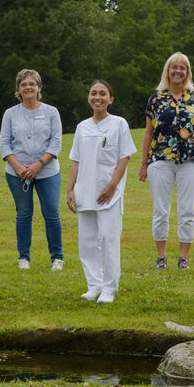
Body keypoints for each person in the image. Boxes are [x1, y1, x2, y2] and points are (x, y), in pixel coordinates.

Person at [67, 80, 136, 304]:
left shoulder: (119, 124)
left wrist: (113, 185)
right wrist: (70, 189)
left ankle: (109, 288)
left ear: (111, 99)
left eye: (103, 94)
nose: (98, 97)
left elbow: (124, 156)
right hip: (85, 190)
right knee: (87, 240)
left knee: (108, 238)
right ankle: (94, 285)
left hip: (109, 192)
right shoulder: (82, 127)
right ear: (89, 97)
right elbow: (75, 159)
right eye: (94, 93)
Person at [138, 52, 194, 271]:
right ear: (167, 71)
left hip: (190, 160)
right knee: (161, 210)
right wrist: (144, 163)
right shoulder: (156, 99)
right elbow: (148, 134)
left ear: (187, 72)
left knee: (187, 210)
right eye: (174, 67)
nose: (178, 71)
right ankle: (161, 256)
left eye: (182, 68)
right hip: (161, 159)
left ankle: (183, 257)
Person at [0, 69, 64, 271]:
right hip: (17, 172)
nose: (28, 87)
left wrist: (38, 164)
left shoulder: (51, 112)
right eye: (24, 84)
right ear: (18, 89)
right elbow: (4, 143)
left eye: (32, 84)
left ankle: (57, 258)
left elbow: (56, 143)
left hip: (47, 171)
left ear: (39, 87)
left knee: (51, 213)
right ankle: (24, 257)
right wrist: (18, 166)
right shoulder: (10, 114)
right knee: (24, 214)